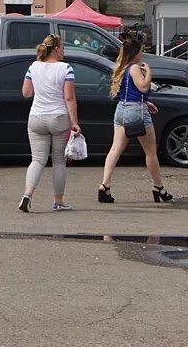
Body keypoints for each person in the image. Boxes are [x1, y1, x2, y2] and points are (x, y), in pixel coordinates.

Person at [97, 33, 173, 204]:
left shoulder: (121, 68)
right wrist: (149, 72)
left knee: (115, 149)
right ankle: (159, 187)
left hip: (122, 109)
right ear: (135, 53)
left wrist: (146, 103)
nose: (143, 54)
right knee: (151, 152)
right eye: (141, 50)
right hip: (136, 112)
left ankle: (105, 186)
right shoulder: (134, 68)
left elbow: (129, 92)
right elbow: (143, 87)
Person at [18, 35, 81, 213]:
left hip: (36, 117)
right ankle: (58, 201)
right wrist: (74, 122)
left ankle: (27, 195)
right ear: (55, 49)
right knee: (59, 161)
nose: (64, 51)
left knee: (37, 160)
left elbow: (26, 93)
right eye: (62, 47)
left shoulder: (33, 67)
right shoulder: (65, 68)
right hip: (58, 118)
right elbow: (69, 97)